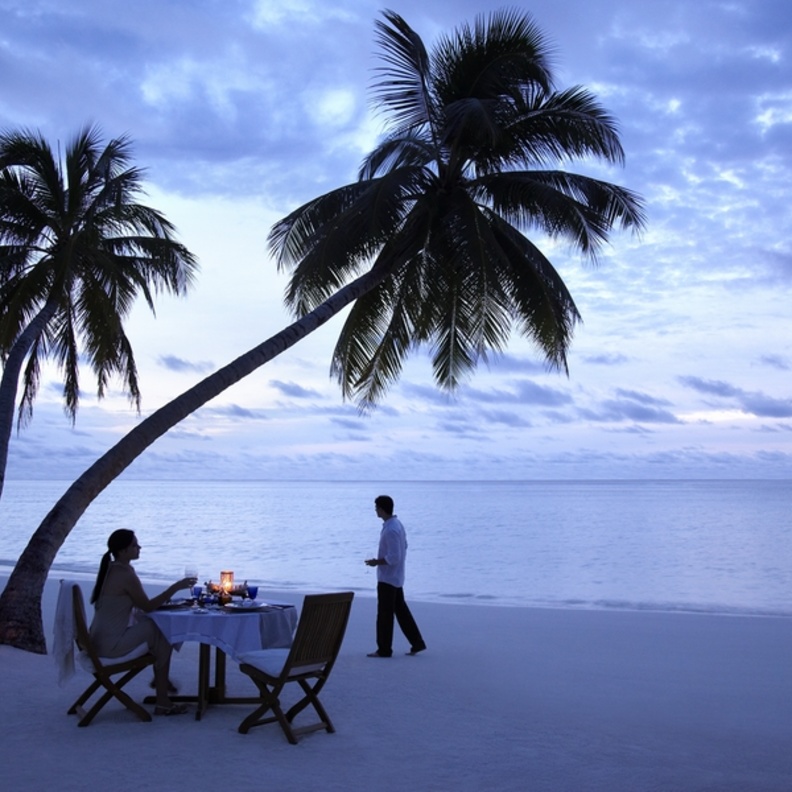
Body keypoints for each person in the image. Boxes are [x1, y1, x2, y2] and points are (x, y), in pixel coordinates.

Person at [89, 529, 196, 715]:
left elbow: (140, 606)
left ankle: (161, 680)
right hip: (111, 646)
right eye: (134, 545)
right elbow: (147, 606)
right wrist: (176, 587)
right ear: (122, 551)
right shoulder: (125, 574)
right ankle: (163, 695)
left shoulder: (111, 568)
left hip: (98, 641)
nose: (139, 548)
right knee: (162, 630)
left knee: (158, 629)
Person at [365, 495, 426, 658]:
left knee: (385, 614)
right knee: (401, 611)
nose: (375, 510)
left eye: (376, 507)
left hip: (388, 578)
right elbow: (404, 546)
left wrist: (376, 562)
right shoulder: (395, 525)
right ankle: (417, 642)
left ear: (382, 509)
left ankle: (384, 649)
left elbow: (394, 557)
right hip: (396, 577)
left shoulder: (392, 528)